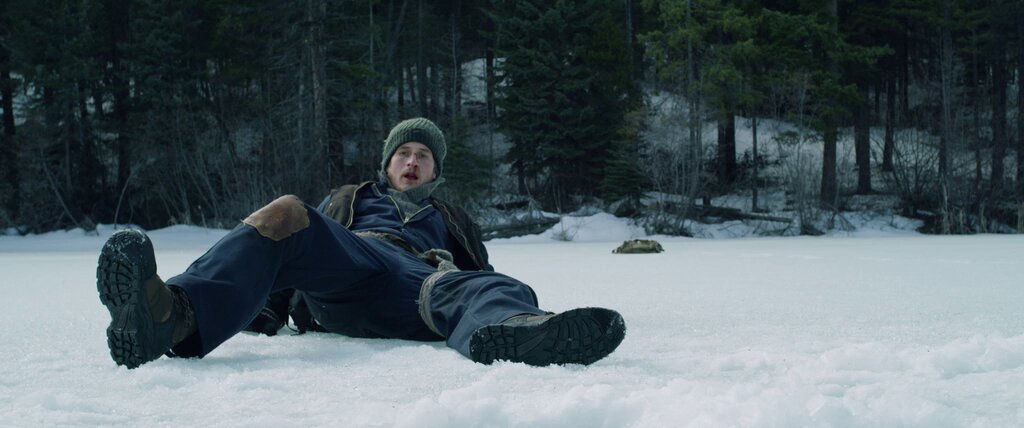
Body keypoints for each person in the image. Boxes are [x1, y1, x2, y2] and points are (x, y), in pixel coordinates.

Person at [96, 117, 626, 369]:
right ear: (388, 162)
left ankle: (515, 335)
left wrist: (495, 297)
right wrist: (270, 309)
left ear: (435, 170)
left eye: (423, 155)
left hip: (423, 285)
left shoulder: (452, 217)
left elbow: (478, 273)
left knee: (494, 286)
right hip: (351, 270)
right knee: (286, 212)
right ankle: (172, 316)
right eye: (404, 153)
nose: (412, 161)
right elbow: (292, 251)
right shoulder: (349, 197)